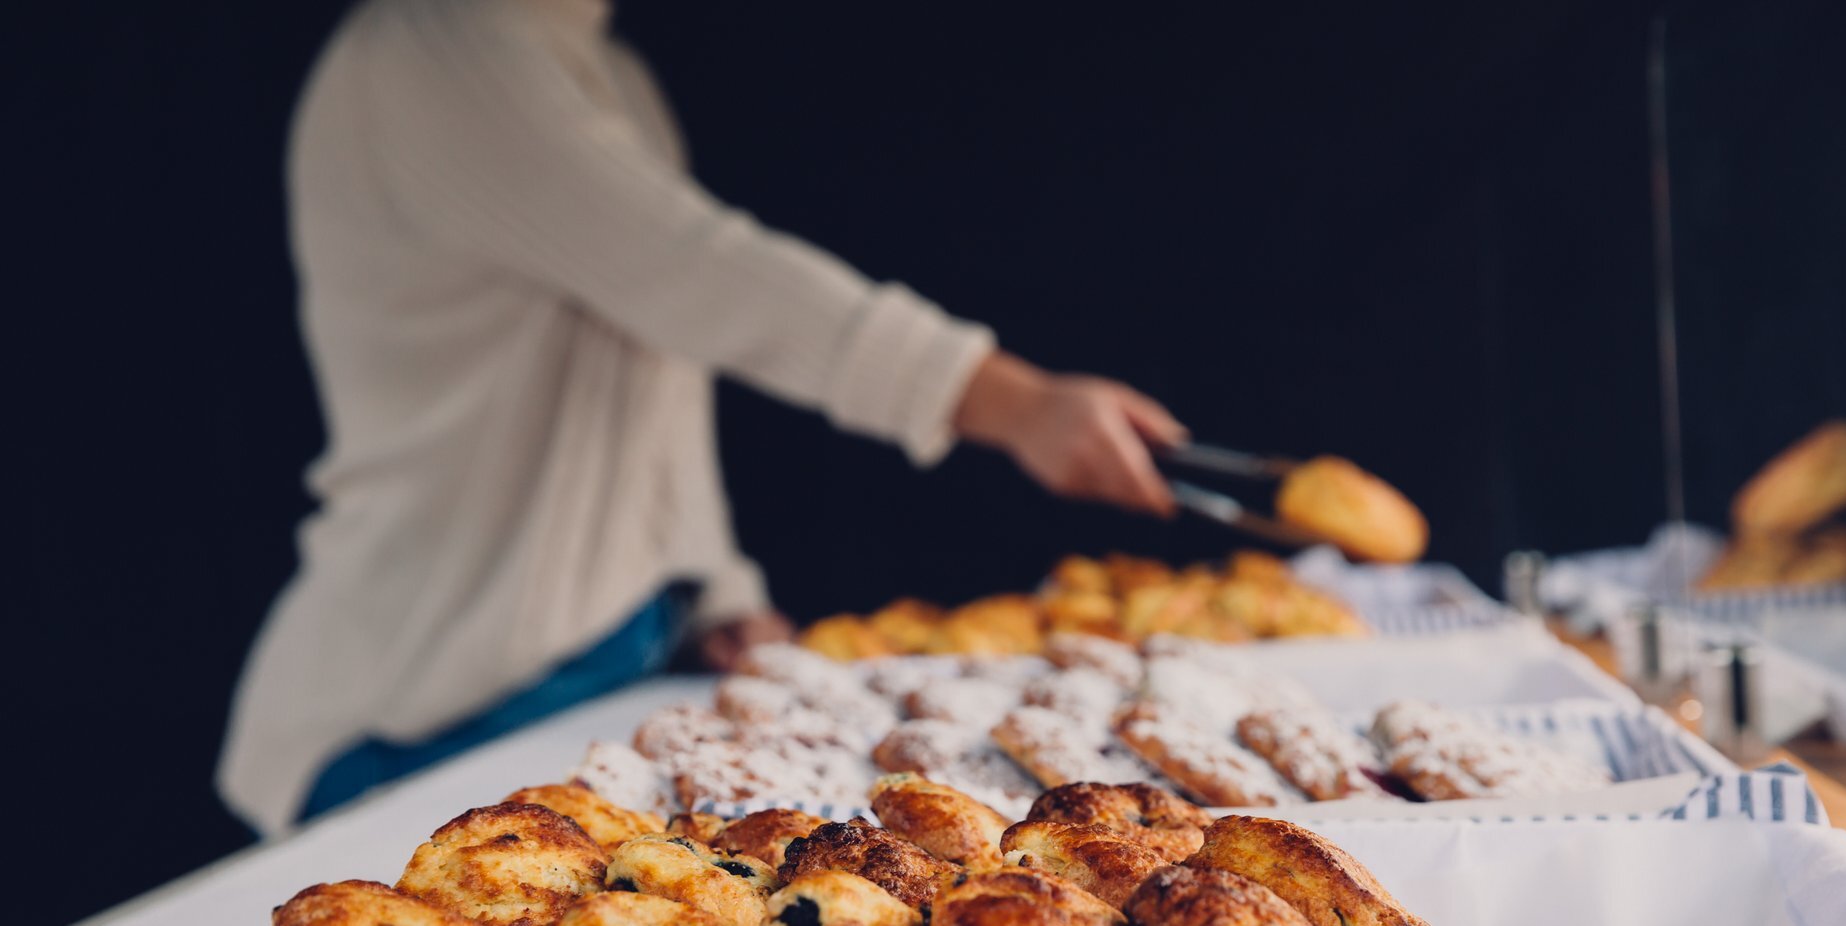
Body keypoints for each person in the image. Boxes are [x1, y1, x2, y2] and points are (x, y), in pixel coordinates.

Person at [218, 0, 1185, 837]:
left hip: (620, 671)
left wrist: (717, 588)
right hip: (424, 709)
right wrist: (1011, 403)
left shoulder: (606, 69)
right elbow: (703, 276)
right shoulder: (427, 52)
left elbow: (657, 355)